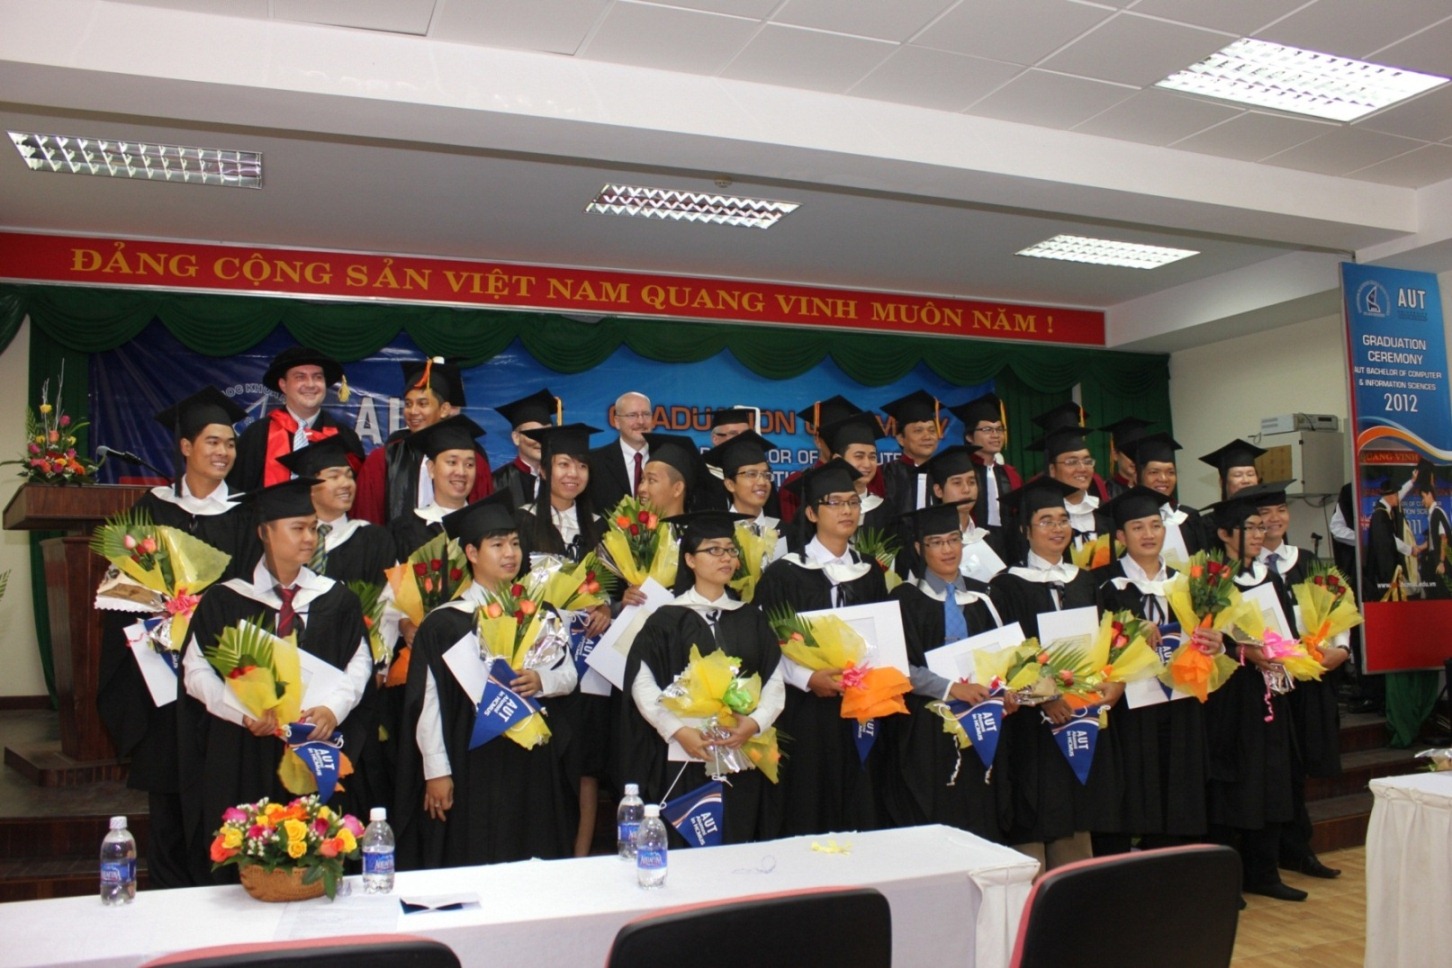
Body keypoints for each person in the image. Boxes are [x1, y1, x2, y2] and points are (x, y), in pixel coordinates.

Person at [177, 478, 373, 884]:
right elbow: (195, 671)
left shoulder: (335, 599)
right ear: (265, 531)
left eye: (313, 528)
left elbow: (360, 663)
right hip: (244, 751)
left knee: (315, 853)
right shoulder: (226, 600)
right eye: (297, 528)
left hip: (314, 746)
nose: (309, 538)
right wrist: (241, 712)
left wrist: (332, 710)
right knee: (245, 859)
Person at [96, 386, 248, 889]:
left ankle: (225, 894)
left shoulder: (246, 515)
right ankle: (168, 900)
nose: (223, 452)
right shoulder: (150, 510)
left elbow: (257, 595)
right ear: (186, 446)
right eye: (212, 442)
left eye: (230, 443)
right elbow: (122, 595)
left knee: (222, 790)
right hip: (161, 679)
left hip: (224, 675)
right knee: (166, 798)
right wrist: (166, 617)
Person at [394, 494, 578, 868]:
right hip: (470, 757)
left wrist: (541, 680)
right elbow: (428, 703)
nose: (510, 553)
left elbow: (569, 676)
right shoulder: (445, 624)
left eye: (515, 543)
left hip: (530, 758)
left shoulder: (539, 613)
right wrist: (437, 771)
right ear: (472, 553)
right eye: (497, 545)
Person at [618, 510, 786, 845]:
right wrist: (678, 730)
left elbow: (773, 679)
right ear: (690, 560)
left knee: (739, 843)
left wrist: (754, 724)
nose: (726, 558)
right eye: (714, 550)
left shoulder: (750, 617)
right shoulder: (666, 619)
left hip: (743, 753)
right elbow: (642, 683)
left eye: (730, 550)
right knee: (687, 848)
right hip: (684, 754)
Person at [755, 459, 891, 837]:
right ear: (812, 513)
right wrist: (807, 677)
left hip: (861, 707)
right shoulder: (785, 573)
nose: (847, 510)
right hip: (805, 709)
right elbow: (768, 644)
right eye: (835, 503)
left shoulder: (869, 571)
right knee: (808, 800)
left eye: (853, 502)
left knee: (861, 796)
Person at [1092, 486, 1215, 851]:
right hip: (1130, 706)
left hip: (1180, 700)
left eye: (1155, 525)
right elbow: (1092, 643)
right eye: (1137, 527)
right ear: (1120, 536)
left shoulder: (1186, 582)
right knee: (1135, 785)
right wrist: (1127, 631)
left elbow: (1207, 632)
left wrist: (1215, 641)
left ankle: (1172, 860)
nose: (1148, 534)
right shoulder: (1103, 584)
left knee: (1178, 783)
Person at [1201, 483, 1306, 902]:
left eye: (1261, 526)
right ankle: (1227, 878)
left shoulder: (1269, 576)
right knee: (1234, 781)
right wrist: (1243, 651)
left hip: (1269, 689)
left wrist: (1284, 652)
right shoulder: (1210, 581)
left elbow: (1285, 629)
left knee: (1273, 775)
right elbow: (1203, 637)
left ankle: (1265, 871)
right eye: (1250, 527)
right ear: (1224, 534)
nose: (1260, 533)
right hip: (1229, 694)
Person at [988, 477, 1098, 872]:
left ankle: (1074, 888)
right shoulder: (1006, 586)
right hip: (1029, 720)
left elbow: (1099, 645)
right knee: (1033, 801)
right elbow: (1007, 652)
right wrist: (1046, 696)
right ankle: (1032, 890)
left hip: (1078, 714)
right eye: (1046, 521)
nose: (1057, 528)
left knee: (1074, 801)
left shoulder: (1084, 581)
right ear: (1025, 530)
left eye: (1063, 520)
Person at [513, 422, 611, 857]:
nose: (573, 474)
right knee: (543, 758)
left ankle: (580, 857)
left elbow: (614, 588)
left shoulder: (601, 528)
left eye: (582, 466)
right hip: (538, 662)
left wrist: (607, 608)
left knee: (587, 765)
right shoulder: (520, 522)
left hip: (589, 665)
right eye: (564, 464)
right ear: (544, 468)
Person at [887, 502, 1011, 841]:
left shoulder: (985, 597)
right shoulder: (904, 599)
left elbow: (1007, 655)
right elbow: (896, 667)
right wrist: (950, 688)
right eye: (937, 542)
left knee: (982, 813)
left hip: (984, 720)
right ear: (919, 548)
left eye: (954, 540)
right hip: (926, 729)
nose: (947, 550)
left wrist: (1007, 691)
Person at [1253, 482, 1347, 881]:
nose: (1273, 520)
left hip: (1309, 682)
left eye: (1280, 510)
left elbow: (1337, 610)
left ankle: (1298, 849)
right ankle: (1270, 854)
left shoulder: (1307, 561)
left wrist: (1341, 649)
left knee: (1300, 766)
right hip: (1267, 685)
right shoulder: (1244, 572)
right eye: (1263, 515)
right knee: (1275, 768)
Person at [354, 359, 493, 526]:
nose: (413, 411)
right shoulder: (382, 461)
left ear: (444, 409)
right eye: (408, 404)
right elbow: (368, 524)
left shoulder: (471, 461)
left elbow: (484, 521)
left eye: (423, 404)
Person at [228, 346, 362, 492]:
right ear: (283, 385)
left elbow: (357, 494)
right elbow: (236, 492)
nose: (310, 384)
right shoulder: (257, 435)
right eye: (300, 377)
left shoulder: (345, 437)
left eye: (318, 377)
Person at [387, 415, 487, 562]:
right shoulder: (405, 531)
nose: (461, 472)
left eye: (469, 465)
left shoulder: (486, 527)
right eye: (452, 462)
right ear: (431, 469)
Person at [779, 395, 885, 525]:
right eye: (831, 436)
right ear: (817, 440)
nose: (836, 443)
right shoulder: (800, 484)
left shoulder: (874, 477)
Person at [947, 392, 1021, 549]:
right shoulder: (962, 473)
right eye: (987, 429)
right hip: (969, 545)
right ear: (969, 437)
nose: (996, 435)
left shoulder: (1010, 474)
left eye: (999, 429)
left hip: (1009, 547)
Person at [1124, 433, 1207, 567]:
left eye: (1170, 472)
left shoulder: (1189, 518)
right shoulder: (1124, 520)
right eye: (1154, 472)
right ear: (1136, 475)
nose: (1163, 478)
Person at [703, 429, 786, 562]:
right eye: (751, 474)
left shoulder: (786, 532)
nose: (762, 482)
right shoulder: (714, 534)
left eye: (766, 475)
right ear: (730, 484)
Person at [491, 388, 561, 511]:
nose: (541, 439)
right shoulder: (498, 481)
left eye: (547, 432)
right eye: (533, 433)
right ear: (516, 438)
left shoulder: (562, 476)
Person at [880, 389, 945, 516]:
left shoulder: (945, 472)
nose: (927, 436)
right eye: (918, 431)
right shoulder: (886, 474)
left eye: (932, 430)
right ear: (901, 439)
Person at [587, 390, 653, 513]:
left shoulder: (667, 460)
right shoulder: (593, 462)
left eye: (646, 414)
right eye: (632, 415)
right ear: (617, 422)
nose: (641, 421)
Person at [1030, 402, 1111, 502]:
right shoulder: (1039, 505)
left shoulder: (1102, 504)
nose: (1082, 468)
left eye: (1087, 461)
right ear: (1052, 470)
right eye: (1072, 462)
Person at [637, 432, 704, 519]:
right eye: (642, 480)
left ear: (677, 489)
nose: (641, 488)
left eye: (651, 480)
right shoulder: (629, 526)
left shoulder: (696, 528)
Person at [1415, 459, 1450, 599]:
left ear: (1429, 494)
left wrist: (1441, 562)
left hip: (1441, 562)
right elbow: (1432, 540)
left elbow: (1443, 538)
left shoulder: (1437, 513)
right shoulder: (1431, 515)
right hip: (1433, 561)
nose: (1422, 502)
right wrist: (1418, 548)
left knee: (1442, 595)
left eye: (1423, 497)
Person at [1099, 417, 1154, 499]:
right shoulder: (1104, 491)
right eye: (1129, 452)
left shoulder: (1154, 487)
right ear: (1115, 455)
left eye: (1140, 452)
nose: (1135, 458)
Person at [1199, 438, 1265, 501]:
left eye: (1250, 474)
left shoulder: (1267, 508)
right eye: (1238, 475)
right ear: (1222, 482)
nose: (1246, 480)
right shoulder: (1220, 510)